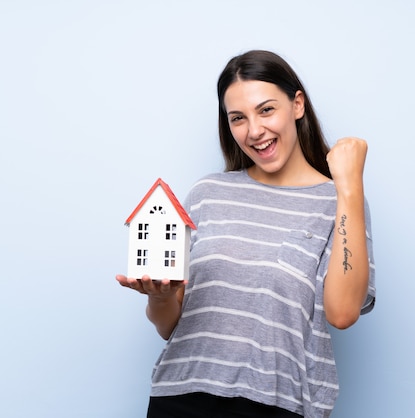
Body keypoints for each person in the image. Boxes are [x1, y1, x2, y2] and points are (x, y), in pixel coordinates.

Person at [116, 50, 375, 418]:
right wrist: (159, 297)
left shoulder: (340, 204)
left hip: (276, 406)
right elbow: (169, 325)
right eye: (238, 118)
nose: (254, 131)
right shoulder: (207, 194)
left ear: (297, 104)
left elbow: (343, 312)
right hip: (180, 397)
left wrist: (348, 187)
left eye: (266, 110)